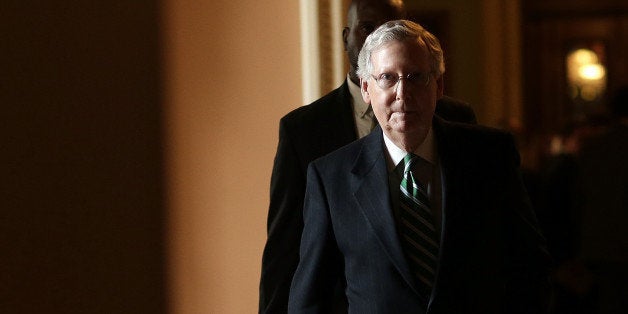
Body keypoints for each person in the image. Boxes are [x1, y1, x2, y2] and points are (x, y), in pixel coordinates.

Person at [287, 20, 551, 313]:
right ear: (365, 88)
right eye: (387, 77)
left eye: (415, 77)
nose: (403, 93)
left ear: (438, 86)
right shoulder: (330, 178)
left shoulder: (490, 156)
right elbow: (310, 299)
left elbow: (530, 268)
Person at [259, 1, 476, 313]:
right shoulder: (304, 133)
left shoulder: (461, 125)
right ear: (347, 37)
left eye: (392, 25)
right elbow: (285, 253)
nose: (402, 93)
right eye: (368, 28)